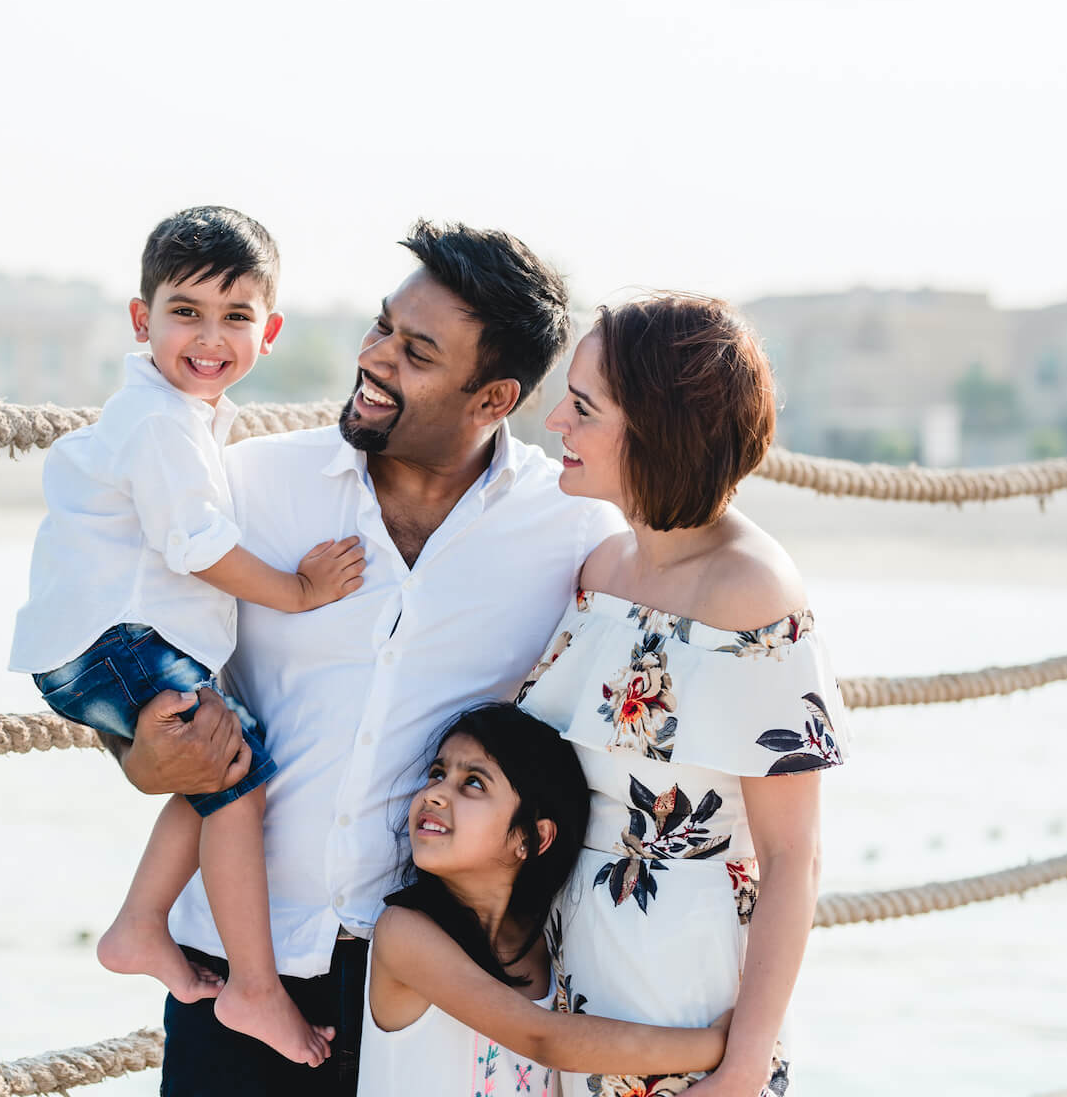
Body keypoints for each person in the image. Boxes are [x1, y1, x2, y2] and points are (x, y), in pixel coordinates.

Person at [117, 220, 627, 1097]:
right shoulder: (246, 486)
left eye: (417, 351)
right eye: (383, 327)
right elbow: (130, 644)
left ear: (494, 398)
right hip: (234, 966)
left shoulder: (572, 529)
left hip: (435, 976)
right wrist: (136, 754)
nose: (377, 358)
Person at [10, 206, 366, 1067]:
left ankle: (140, 927)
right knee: (239, 779)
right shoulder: (166, 422)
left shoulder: (176, 415)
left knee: (212, 774)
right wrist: (297, 590)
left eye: (236, 317)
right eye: (186, 313)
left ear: (269, 331)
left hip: (87, 650)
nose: (211, 338)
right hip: (120, 642)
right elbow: (196, 545)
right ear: (142, 319)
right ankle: (252, 986)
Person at [519, 293, 847, 1095]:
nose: (555, 419)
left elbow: (791, 857)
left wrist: (743, 1064)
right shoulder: (603, 569)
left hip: (685, 995)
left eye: (585, 406)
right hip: (569, 984)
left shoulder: (753, 593)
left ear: (658, 431)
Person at [363, 703, 732, 1097]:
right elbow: (545, 1040)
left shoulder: (546, 948)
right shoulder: (404, 932)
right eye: (437, 773)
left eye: (473, 783)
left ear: (531, 838)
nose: (435, 793)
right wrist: (722, 1047)